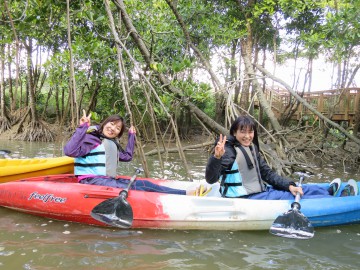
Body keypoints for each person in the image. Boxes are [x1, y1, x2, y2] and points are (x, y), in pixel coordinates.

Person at [205, 115, 358, 199]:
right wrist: (216, 158)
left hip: (258, 192)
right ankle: (337, 199)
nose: (247, 136)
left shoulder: (250, 148)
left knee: (295, 188)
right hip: (245, 198)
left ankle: (328, 191)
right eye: (242, 132)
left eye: (250, 132)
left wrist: (288, 185)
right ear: (234, 133)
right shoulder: (229, 152)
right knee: (293, 196)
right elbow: (211, 179)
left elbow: (267, 174)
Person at [64, 110, 204, 196]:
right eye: (111, 124)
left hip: (106, 180)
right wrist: (82, 128)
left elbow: (127, 156)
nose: (113, 129)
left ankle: (184, 193)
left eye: (118, 128)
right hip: (91, 180)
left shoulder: (108, 144)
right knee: (141, 187)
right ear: (105, 123)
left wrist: (131, 136)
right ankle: (185, 194)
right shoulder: (91, 138)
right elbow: (69, 151)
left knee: (145, 183)